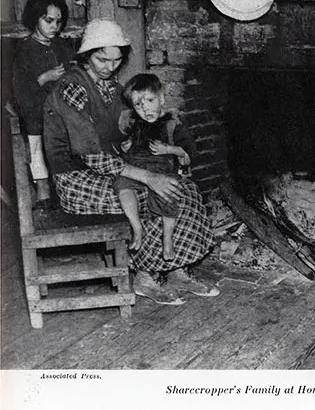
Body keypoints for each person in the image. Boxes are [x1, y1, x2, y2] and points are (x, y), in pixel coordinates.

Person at [43, 18, 219, 305]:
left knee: (181, 187)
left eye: (116, 60)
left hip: (112, 165)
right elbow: (91, 155)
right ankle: (145, 278)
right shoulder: (72, 88)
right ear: (86, 55)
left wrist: (160, 123)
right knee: (151, 192)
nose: (109, 67)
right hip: (75, 177)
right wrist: (149, 177)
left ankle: (177, 270)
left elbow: (130, 123)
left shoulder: (112, 87)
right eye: (102, 59)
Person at [115, 72, 195, 263]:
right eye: (138, 105)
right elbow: (123, 143)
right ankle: (137, 227)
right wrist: (124, 146)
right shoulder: (133, 122)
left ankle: (168, 238)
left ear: (161, 99)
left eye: (150, 101)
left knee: (167, 195)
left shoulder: (172, 124)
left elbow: (187, 152)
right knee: (121, 185)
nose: (145, 109)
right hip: (136, 166)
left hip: (161, 168)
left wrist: (169, 148)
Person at [12, 0, 74, 208]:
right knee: (37, 149)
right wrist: (45, 77)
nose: (54, 27)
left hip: (60, 113)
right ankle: (43, 193)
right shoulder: (25, 50)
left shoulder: (62, 46)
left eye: (58, 22)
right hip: (35, 113)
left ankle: (66, 193)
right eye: (49, 21)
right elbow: (19, 91)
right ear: (35, 18)